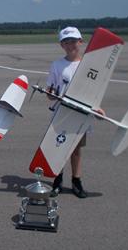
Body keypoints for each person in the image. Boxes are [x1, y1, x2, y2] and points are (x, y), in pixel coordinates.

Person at [46, 26, 104, 199]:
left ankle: (76, 181)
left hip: (80, 114)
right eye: (66, 42)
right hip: (61, 113)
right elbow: (50, 93)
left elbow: (94, 91)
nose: (70, 44)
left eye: (73, 41)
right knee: (58, 148)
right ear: (61, 45)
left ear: (81, 41)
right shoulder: (57, 65)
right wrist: (51, 94)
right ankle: (57, 181)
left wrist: (98, 108)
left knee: (76, 150)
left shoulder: (89, 66)